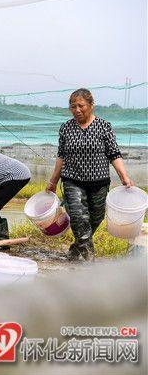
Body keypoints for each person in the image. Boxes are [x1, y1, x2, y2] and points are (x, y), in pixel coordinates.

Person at [47, 88, 133, 261]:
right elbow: (61, 156)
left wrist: (124, 177)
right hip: (72, 180)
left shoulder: (103, 126)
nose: (77, 110)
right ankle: (89, 260)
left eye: (81, 105)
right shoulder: (66, 128)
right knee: (78, 217)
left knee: (96, 218)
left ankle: (76, 249)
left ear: (91, 105)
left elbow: (114, 154)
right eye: (73, 106)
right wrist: (53, 181)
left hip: (99, 182)